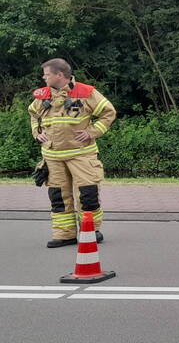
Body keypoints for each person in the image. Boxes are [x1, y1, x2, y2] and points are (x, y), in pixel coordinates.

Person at [27, 58, 117, 248]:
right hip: (53, 157)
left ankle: (91, 231)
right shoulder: (43, 95)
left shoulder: (86, 92)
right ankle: (65, 234)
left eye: (47, 74)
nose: (44, 77)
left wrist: (92, 132)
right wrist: (37, 132)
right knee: (58, 196)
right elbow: (34, 116)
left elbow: (109, 113)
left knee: (87, 194)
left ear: (59, 75)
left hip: (81, 154)